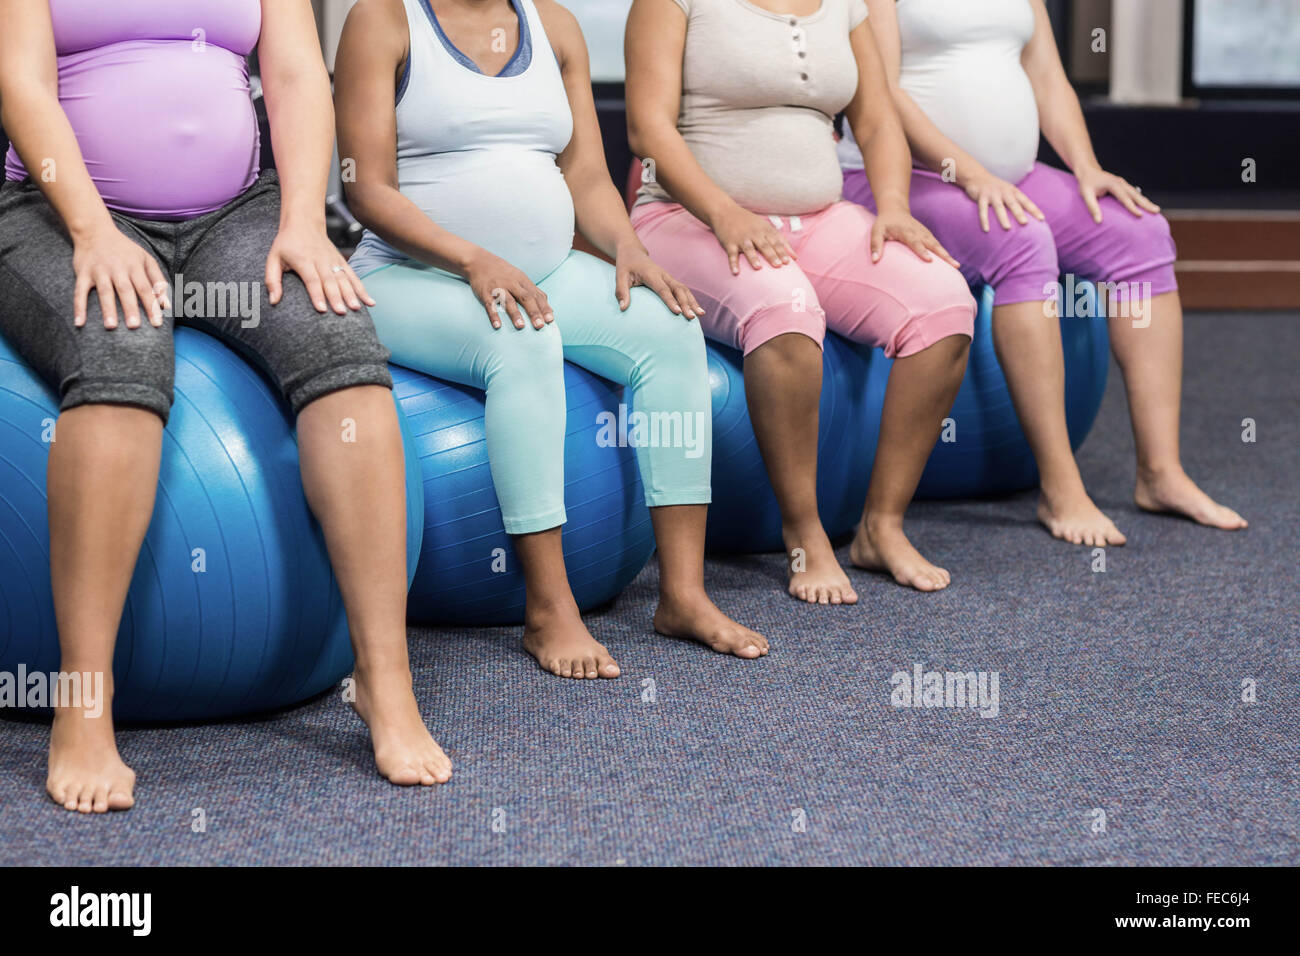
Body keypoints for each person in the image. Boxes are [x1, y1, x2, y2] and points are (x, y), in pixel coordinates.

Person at [0, 0, 452, 811]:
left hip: (234, 215)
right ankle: (84, 703)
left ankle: (385, 681)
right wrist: (93, 231)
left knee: (343, 346)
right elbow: (21, 82)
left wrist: (305, 221)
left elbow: (293, 76)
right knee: (121, 348)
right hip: (60, 211)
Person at [334, 0, 768, 678]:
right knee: (523, 340)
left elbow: (587, 174)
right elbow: (368, 190)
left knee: (672, 329)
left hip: (543, 272)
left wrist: (628, 247)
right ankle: (549, 609)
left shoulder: (555, 25)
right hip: (409, 278)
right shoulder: (384, 19)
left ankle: (682, 595)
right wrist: (472, 259)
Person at [839, 0, 1246, 546]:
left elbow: (1048, 76)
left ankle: (1160, 474)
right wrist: (973, 174)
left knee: (1140, 234)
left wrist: (1086, 166)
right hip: (901, 180)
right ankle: (1060, 488)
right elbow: (880, 94)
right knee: (1022, 241)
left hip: (1013, 178)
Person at [626, 0, 975, 598]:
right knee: (785, 309)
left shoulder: (846, 5)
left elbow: (875, 119)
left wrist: (892, 204)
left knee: (944, 304)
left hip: (818, 220)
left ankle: (881, 525)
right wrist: (723, 211)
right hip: (687, 218)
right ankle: (804, 533)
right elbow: (647, 128)